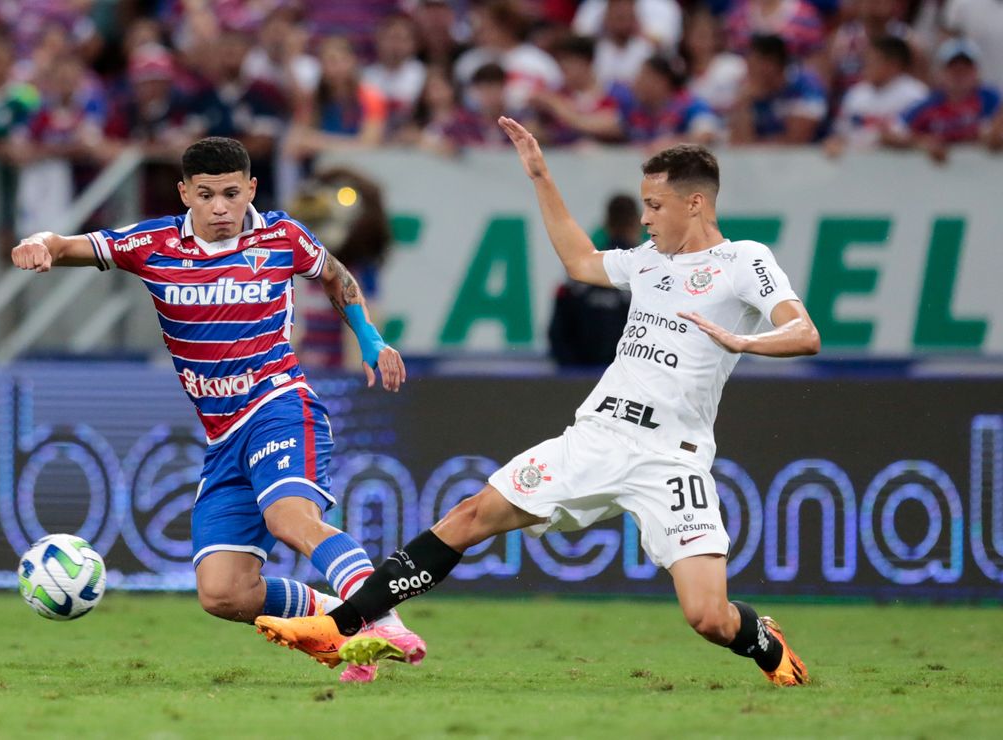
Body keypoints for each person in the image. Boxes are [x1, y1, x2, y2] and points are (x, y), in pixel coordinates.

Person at [254, 119, 821, 688]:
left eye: (656, 205)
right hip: (598, 436)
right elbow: (580, 260)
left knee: (708, 618)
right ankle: (343, 626)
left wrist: (743, 341)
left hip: (673, 457)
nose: (645, 218)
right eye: (644, 205)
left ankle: (763, 639)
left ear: (695, 203)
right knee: (470, 515)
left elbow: (804, 333)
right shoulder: (648, 260)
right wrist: (540, 176)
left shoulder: (743, 261)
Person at [10, 137, 423, 684]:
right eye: (206, 195)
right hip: (222, 436)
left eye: (232, 193)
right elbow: (63, 244)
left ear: (251, 188)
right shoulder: (151, 243)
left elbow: (336, 275)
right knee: (224, 592)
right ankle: (343, 626)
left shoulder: (282, 235)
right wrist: (37, 243)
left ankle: (382, 618)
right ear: (185, 194)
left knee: (291, 519)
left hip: (281, 405)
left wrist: (370, 339)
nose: (221, 208)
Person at [548, 194, 636, 368]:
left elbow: (557, 333)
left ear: (606, 224)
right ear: (636, 224)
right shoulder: (646, 272)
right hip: (627, 377)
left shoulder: (583, 270)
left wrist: (572, 372)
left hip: (578, 376)